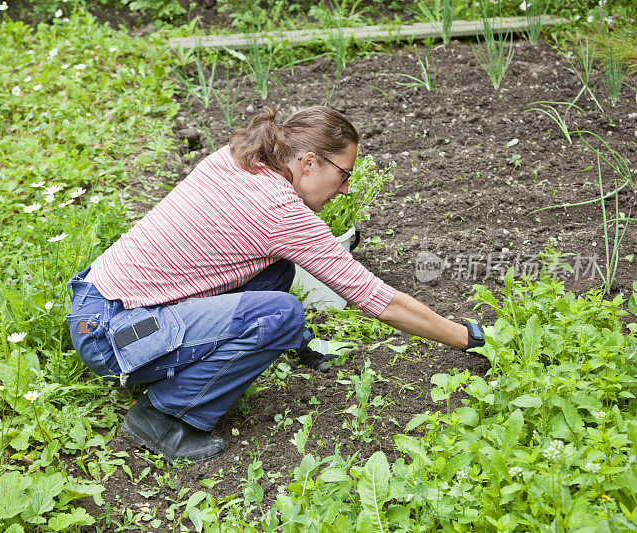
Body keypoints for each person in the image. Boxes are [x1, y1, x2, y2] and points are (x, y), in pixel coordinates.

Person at [66, 106, 484, 463]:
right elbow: (379, 301)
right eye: (343, 175)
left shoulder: (238, 159)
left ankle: (288, 346)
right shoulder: (280, 211)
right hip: (115, 334)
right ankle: (161, 416)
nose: (343, 189)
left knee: (276, 275)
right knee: (280, 313)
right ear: (307, 163)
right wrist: (468, 338)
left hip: (97, 304)